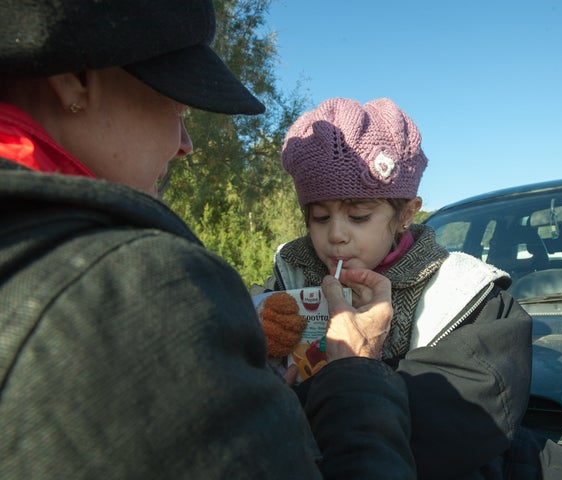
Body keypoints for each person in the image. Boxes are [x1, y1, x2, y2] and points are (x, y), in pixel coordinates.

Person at [0, 2, 415, 479]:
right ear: (75, 77)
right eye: (177, 104)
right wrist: (356, 372)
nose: (186, 142)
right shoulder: (135, 286)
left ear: (405, 214)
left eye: (359, 215)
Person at [262, 97, 562, 479]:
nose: (336, 235)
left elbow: (459, 416)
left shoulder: (466, 295)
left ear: (405, 214)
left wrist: (295, 403)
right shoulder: (286, 277)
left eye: (358, 216)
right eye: (319, 217)